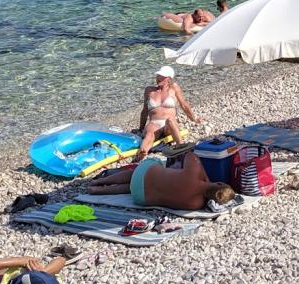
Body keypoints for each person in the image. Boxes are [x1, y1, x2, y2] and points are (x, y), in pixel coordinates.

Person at [87, 152, 234, 211]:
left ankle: (99, 182)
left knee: (136, 174)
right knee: (136, 187)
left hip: (142, 175)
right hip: (140, 198)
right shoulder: (196, 205)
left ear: (219, 183)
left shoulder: (195, 173)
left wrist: (205, 177)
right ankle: (99, 191)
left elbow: (190, 155)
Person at [136, 65, 201, 157]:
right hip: (154, 123)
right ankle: (142, 153)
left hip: (168, 125)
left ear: (169, 79)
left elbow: (184, 105)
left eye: (162, 77)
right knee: (149, 134)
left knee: (170, 120)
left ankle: (181, 147)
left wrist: (194, 119)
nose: (158, 78)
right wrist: (140, 128)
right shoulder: (149, 90)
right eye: (158, 76)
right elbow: (145, 111)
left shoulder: (174, 88)